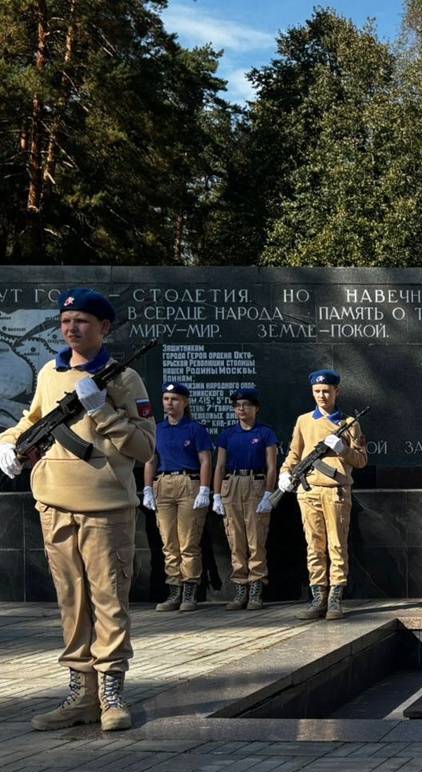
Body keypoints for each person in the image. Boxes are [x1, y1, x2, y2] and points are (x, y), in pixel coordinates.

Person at [0, 289, 156, 732]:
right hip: (53, 502)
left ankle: (111, 694)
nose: (72, 328)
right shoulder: (51, 371)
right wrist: (7, 442)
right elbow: (32, 420)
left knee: (108, 598)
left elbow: (144, 448)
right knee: (72, 601)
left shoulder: (124, 380)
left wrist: (102, 411)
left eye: (83, 321)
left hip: (105, 506)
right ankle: (81, 693)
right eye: (66, 320)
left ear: (104, 328)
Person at [277, 369, 367, 620]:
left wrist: (342, 450)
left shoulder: (349, 423)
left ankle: (335, 598)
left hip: (336, 491)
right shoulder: (304, 421)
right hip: (309, 491)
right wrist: (285, 473)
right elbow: (294, 454)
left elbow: (361, 460)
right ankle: (318, 597)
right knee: (314, 547)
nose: (322, 395)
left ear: (336, 391)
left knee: (337, 545)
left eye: (326, 391)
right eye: (317, 391)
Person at [141, 382, 212, 612]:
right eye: (166, 398)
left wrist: (204, 488)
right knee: (168, 542)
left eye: (174, 399)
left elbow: (205, 460)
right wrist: (148, 488)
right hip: (163, 484)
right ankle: (174, 590)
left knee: (188, 541)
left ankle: (190, 590)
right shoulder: (157, 429)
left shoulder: (195, 429)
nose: (169, 403)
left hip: (188, 483)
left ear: (185, 402)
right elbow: (150, 460)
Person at [212, 388, 279, 611]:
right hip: (232, 484)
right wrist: (216, 494)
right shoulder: (228, 434)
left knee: (256, 538)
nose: (241, 409)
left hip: (255, 483)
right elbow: (220, 465)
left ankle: (256, 588)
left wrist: (269, 493)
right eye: (238, 405)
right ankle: (240, 587)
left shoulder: (265, 433)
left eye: (246, 405)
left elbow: (272, 466)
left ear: (256, 408)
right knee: (235, 538)